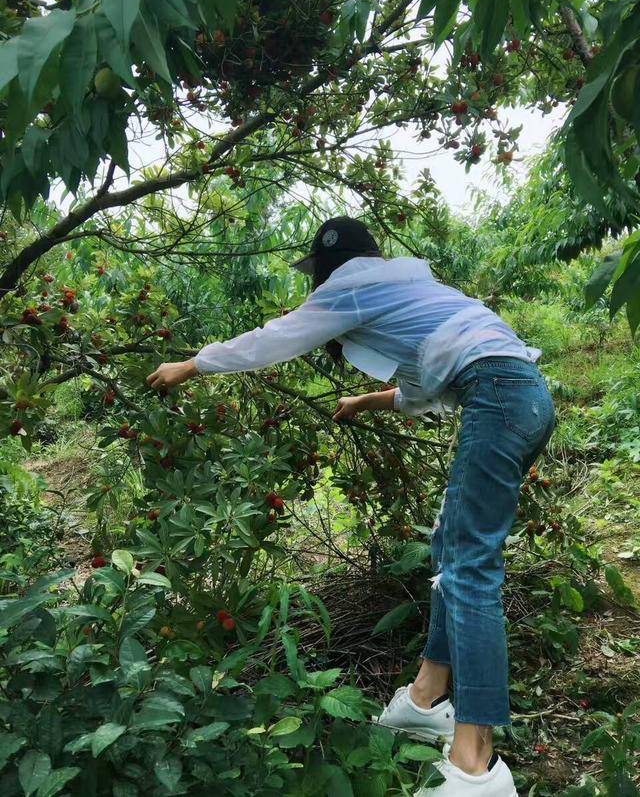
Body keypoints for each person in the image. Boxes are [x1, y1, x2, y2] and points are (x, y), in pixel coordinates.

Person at [147, 216, 555, 797]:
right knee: (451, 547)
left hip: (499, 395)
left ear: (331, 269)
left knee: (469, 571)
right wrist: (366, 400)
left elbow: (277, 337)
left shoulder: (355, 284)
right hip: (522, 396)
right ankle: (424, 698)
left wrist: (193, 363)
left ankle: (475, 764)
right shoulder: (415, 291)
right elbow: (423, 382)